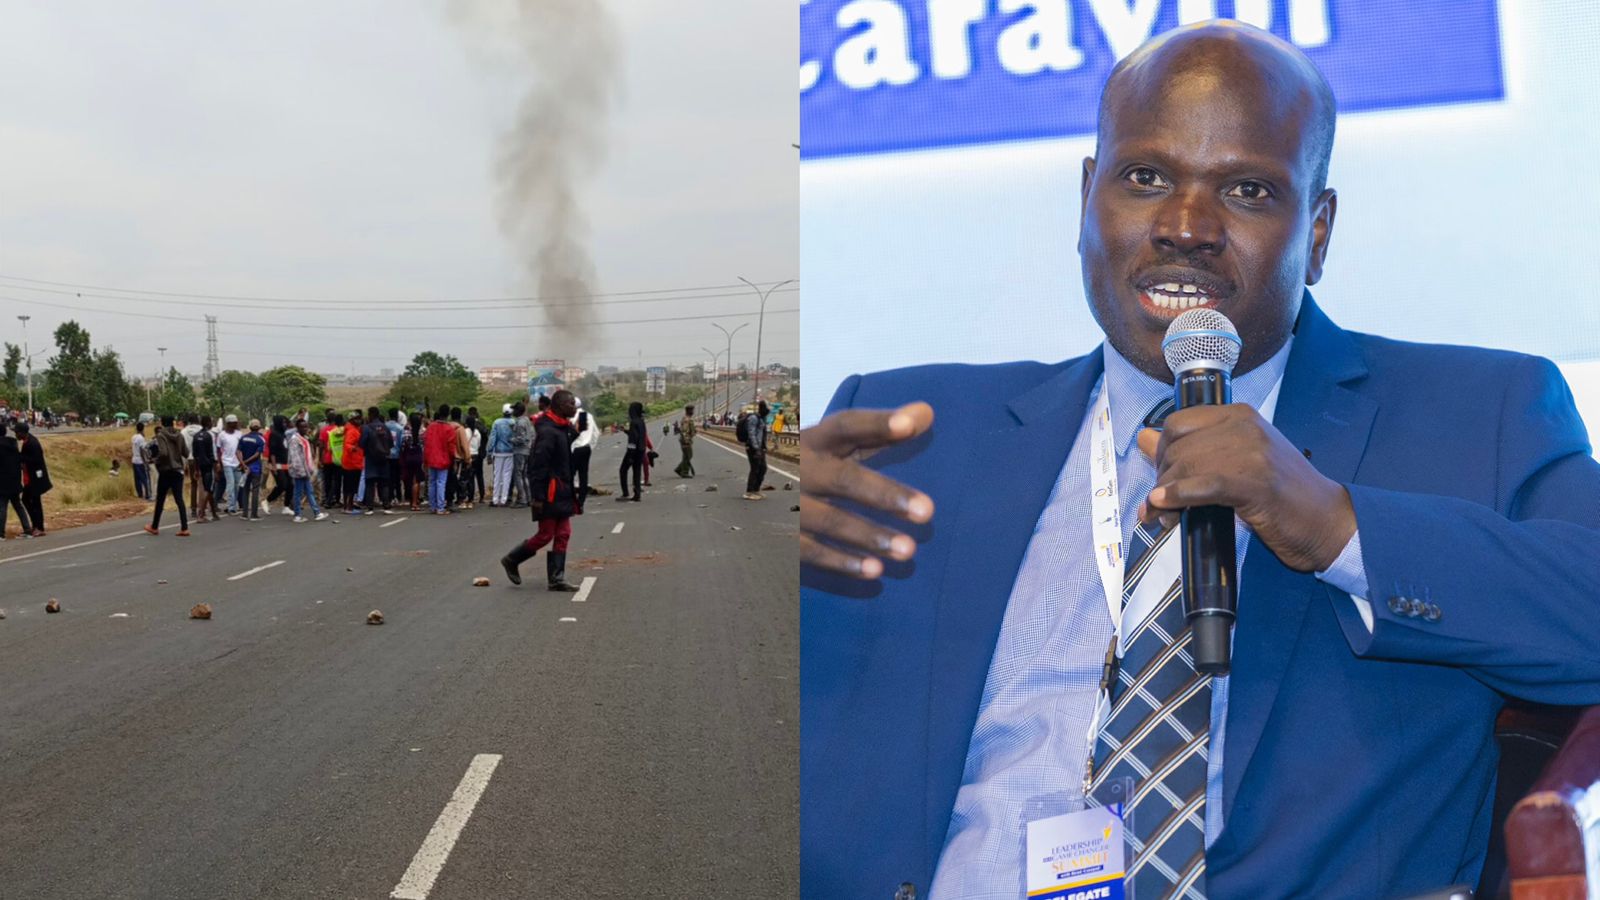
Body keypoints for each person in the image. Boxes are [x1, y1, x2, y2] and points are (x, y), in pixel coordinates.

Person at [798, 22, 1600, 900]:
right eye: (1145, 179)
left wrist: (1340, 528)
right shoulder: (915, 436)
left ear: (1319, 231)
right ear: (1086, 199)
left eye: (1249, 190)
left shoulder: (1478, 413)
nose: (1186, 227)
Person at [499, 389, 581, 592]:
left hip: (563, 488)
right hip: (549, 491)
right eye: (571, 404)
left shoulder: (562, 427)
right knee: (545, 534)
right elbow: (537, 467)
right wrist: (538, 497)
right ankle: (512, 559)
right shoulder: (548, 432)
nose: (574, 406)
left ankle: (556, 578)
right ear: (561, 406)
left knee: (564, 533)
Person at [142, 414, 190, 536]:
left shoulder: (161, 435)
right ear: (173, 423)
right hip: (178, 470)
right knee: (179, 499)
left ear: (162, 423)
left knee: (160, 499)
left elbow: (163, 453)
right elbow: (186, 452)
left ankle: (155, 526)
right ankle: (184, 527)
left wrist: (155, 460)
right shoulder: (179, 435)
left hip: (166, 470)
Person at [288, 418, 328, 522]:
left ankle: (317, 513)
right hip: (300, 471)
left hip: (306, 470)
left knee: (309, 492)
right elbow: (295, 457)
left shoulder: (304, 438)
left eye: (306, 426)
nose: (305, 428)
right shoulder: (294, 439)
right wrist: (301, 471)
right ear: (298, 428)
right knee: (298, 493)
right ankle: (298, 515)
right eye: (303, 426)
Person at [13, 422, 49, 537]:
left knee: (34, 502)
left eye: (17, 432)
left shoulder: (32, 444)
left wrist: (18, 457)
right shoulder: (28, 441)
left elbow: (34, 461)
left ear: (22, 433)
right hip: (30, 478)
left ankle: (39, 527)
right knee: (28, 500)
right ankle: (36, 525)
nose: (15, 434)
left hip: (35, 479)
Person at [0, 420, 31, 539]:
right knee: (18, 505)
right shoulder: (13, 444)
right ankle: (27, 529)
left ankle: (0, 533)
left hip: (2, 481)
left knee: (2, 507)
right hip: (15, 480)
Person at [360, 405, 393, 514]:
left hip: (371, 458)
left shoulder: (366, 428)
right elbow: (391, 443)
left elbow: (362, 443)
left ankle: (370, 507)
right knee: (384, 483)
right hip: (384, 458)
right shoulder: (385, 427)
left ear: (371, 415)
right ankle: (386, 505)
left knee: (370, 483)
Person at [423, 404, 455, 515]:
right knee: (441, 483)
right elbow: (451, 447)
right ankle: (441, 507)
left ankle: (433, 506)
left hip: (431, 458)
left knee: (432, 482)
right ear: (448, 414)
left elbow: (426, 443)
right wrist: (453, 458)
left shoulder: (431, 427)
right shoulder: (449, 429)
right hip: (443, 459)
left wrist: (425, 459)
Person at [569, 399, 599, 511]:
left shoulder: (573, 417)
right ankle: (581, 501)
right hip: (586, 448)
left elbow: (571, 436)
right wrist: (590, 446)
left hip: (575, 449)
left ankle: (571, 500)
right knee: (583, 476)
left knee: (570, 475)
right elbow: (596, 433)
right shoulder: (588, 416)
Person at [237, 419, 266, 520]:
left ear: (249, 427)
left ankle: (244, 514)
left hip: (245, 468)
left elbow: (238, 451)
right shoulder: (260, 439)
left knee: (245, 490)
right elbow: (257, 454)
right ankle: (254, 514)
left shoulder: (243, 438)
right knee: (255, 490)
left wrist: (242, 463)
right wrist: (247, 462)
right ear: (259, 428)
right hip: (255, 468)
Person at [263, 415, 292, 516]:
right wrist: (274, 466)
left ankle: (286, 507)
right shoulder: (274, 434)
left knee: (291, 485)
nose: (285, 425)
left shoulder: (283, 434)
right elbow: (272, 452)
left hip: (285, 463)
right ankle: (266, 501)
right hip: (277, 464)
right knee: (282, 485)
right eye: (283, 423)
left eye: (285, 423)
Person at [191, 415, 218, 523]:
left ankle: (214, 513)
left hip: (199, 464)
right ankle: (201, 514)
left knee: (209, 488)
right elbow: (212, 454)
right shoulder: (209, 435)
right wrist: (216, 468)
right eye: (211, 422)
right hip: (208, 465)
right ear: (208, 423)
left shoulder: (196, 436)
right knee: (208, 488)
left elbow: (195, 454)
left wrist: (197, 469)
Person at [616, 401, 645, 502]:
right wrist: (625, 431)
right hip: (641, 450)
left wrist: (630, 455)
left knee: (623, 470)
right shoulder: (641, 421)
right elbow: (637, 435)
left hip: (633, 451)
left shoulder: (633, 422)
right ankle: (637, 494)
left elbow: (633, 439)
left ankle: (625, 493)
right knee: (637, 472)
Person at [488, 405, 516, 506]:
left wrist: (489, 452)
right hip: (510, 452)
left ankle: (495, 499)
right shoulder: (514, 422)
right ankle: (504, 500)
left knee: (497, 475)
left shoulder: (497, 422)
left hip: (498, 452)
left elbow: (492, 439)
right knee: (507, 475)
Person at [216, 415, 244, 516]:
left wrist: (242, 462)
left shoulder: (239, 434)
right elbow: (218, 450)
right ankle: (231, 506)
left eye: (236, 422)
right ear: (228, 423)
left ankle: (233, 504)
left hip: (237, 462)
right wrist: (219, 462)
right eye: (234, 422)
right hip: (227, 462)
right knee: (230, 484)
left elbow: (241, 449)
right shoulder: (222, 435)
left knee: (237, 485)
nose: (236, 424)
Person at [741, 401, 768, 501]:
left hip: (760, 447)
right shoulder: (753, 418)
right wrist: (756, 448)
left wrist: (763, 447)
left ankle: (756, 489)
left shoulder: (762, 419)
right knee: (755, 468)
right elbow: (751, 434)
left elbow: (762, 434)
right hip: (752, 447)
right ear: (761, 409)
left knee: (763, 468)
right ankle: (749, 491)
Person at [340, 410, 365, 515]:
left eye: (359, 418)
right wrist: (354, 448)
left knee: (348, 486)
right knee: (351, 486)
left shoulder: (352, 429)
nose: (359, 420)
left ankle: (347, 506)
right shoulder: (352, 430)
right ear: (351, 420)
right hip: (352, 462)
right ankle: (348, 507)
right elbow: (348, 444)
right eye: (356, 419)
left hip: (351, 462)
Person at [509, 402, 533, 507]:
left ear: (518, 411)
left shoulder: (519, 423)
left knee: (518, 475)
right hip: (527, 450)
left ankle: (522, 499)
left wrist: (511, 440)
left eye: (514, 409)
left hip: (520, 451)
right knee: (524, 475)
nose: (513, 411)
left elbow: (521, 439)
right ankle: (529, 498)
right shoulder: (527, 420)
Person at [400, 412, 425, 511]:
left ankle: (410, 500)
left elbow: (402, 445)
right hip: (418, 457)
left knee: (408, 479)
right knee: (416, 481)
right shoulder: (422, 432)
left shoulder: (406, 432)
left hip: (408, 456)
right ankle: (415, 502)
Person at [321, 411, 345, 509]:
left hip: (326, 458)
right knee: (337, 480)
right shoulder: (339, 430)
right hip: (337, 458)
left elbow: (322, 446)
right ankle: (336, 499)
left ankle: (327, 498)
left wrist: (320, 459)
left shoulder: (323, 430)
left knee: (327, 480)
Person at [385, 408, 405, 511]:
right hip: (396, 455)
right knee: (397, 478)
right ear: (397, 416)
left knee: (388, 478)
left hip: (386, 455)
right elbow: (402, 443)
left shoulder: (385, 426)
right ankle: (398, 497)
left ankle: (389, 497)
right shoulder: (400, 428)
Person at [675, 404, 697, 478]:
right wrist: (686, 441)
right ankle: (684, 472)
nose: (693, 411)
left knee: (686, 456)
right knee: (689, 456)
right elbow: (684, 431)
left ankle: (679, 469)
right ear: (689, 411)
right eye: (692, 410)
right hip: (686, 440)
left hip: (687, 439)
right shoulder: (687, 419)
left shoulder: (687, 418)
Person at [130, 421, 150, 500]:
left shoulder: (133, 437)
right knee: (144, 478)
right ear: (143, 428)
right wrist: (145, 461)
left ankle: (140, 494)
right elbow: (142, 450)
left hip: (134, 459)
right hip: (140, 460)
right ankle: (147, 494)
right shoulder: (141, 438)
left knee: (137, 478)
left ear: (136, 428)